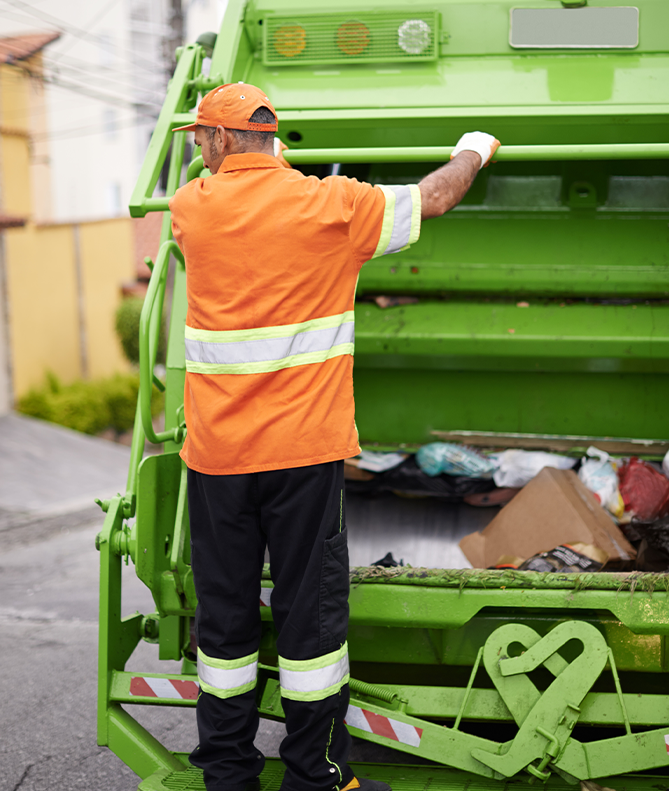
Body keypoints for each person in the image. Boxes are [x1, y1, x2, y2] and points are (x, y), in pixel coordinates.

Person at [169, 82, 499, 791]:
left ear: (223, 142)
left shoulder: (190, 211)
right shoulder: (332, 208)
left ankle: (227, 775)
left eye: (201, 137)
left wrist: (256, 160)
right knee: (309, 622)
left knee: (224, 623)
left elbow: (221, 185)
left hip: (218, 460)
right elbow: (435, 197)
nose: (198, 147)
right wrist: (473, 150)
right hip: (302, 456)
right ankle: (314, 775)